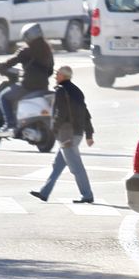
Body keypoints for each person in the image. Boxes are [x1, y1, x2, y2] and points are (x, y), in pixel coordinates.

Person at [30, 65, 95, 205]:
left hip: (67, 136)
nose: (55, 76)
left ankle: (87, 195)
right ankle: (44, 192)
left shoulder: (61, 91)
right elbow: (86, 113)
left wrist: (53, 129)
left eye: (57, 74)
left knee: (76, 167)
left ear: (63, 76)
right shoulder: (77, 91)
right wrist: (89, 134)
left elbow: (60, 113)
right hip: (75, 134)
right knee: (57, 165)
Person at [0, 23, 54, 133]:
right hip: (43, 86)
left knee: (3, 97)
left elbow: (11, 62)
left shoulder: (26, 51)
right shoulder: (48, 51)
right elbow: (50, 71)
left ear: (27, 37)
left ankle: (9, 124)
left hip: (27, 86)